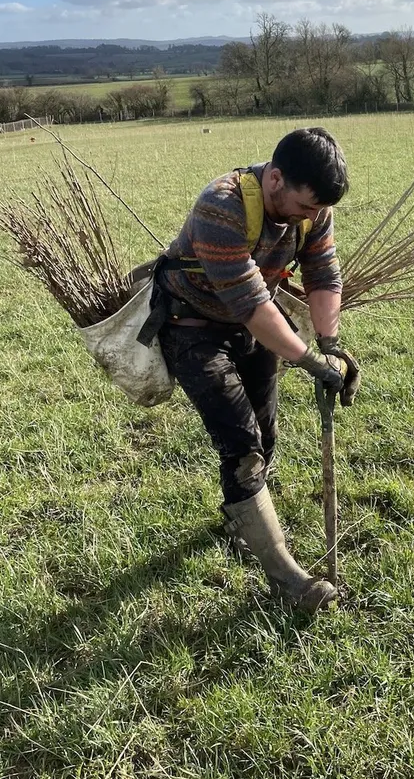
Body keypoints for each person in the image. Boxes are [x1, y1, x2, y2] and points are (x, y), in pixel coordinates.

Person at [156, 127, 360, 613]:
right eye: (304, 206)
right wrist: (308, 360)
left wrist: (330, 345)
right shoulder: (221, 207)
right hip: (194, 328)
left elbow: (323, 274)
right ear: (274, 179)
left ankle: (239, 516)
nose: (311, 217)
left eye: (318, 211)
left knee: (266, 436)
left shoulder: (315, 209)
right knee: (243, 446)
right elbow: (251, 304)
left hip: (254, 325)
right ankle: (289, 581)